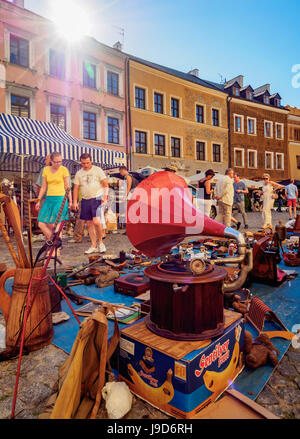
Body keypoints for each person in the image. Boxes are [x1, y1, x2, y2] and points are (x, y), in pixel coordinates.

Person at [72, 153, 108, 254]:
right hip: (85, 200)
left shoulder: (98, 170)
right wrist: (74, 202)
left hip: (97, 198)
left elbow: (105, 184)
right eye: (83, 163)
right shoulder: (79, 173)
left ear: (91, 161)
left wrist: (105, 198)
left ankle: (101, 243)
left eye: (87, 163)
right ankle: (93, 245)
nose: (86, 165)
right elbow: (76, 188)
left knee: (97, 221)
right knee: (89, 223)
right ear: (81, 163)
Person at [35, 152, 72, 250]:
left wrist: (71, 201)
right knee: (41, 223)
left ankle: (56, 250)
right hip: (49, 199)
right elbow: (43, 187)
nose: (58, 164)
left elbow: (67, 187)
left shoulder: (64, 170)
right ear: (51, 161)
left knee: (55, 225)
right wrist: (38, 200)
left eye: (60, 161)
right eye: (56, 162)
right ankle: (55, 242)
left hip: (60, 199)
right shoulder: (45, 170)